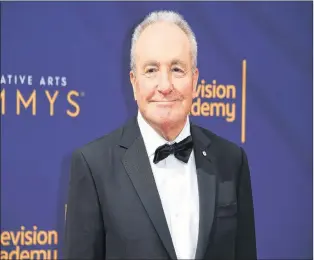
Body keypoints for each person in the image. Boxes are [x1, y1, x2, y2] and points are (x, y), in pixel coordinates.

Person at [64, 10, 257, 260]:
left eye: (177, 69)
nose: (165, 86)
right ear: (134, 83)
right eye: (151, 70)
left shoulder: (232, 160)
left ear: (195, 80)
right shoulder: (93, 166)